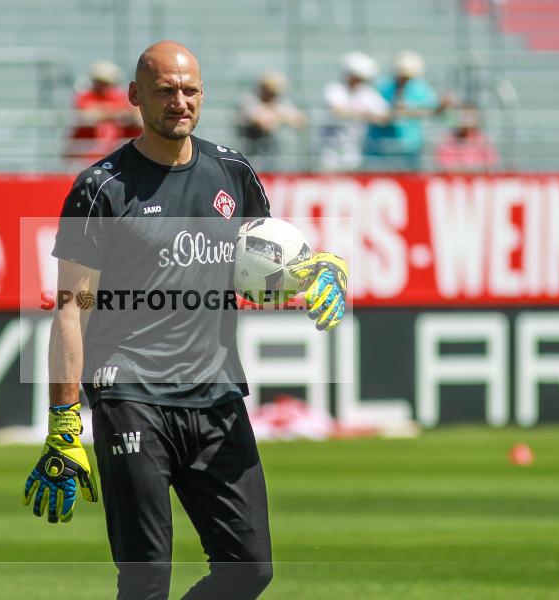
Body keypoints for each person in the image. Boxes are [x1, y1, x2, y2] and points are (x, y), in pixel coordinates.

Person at [22, 40, 349, 600]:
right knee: (146, 579)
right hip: (130, 395)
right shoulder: (100, 188)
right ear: (135, 96)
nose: (180, 101)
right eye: (165, 90)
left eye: (190, 89)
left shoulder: (233, 171)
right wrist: (63, 421)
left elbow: (266, 262)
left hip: (217, 394)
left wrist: (326, 268)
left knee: (249, 570)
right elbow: (71, 310)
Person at [365, 50, 452, 171]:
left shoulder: (418, 87)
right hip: (381, 145)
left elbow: (433, 110)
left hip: (410, 146)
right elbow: (377, 113)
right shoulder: (384, 86)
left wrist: (441, 107)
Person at [320, 52, 390, 171]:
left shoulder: (367, 93)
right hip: (330, 149)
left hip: (354, 150)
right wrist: (366, 115)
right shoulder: (335, 89)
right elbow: (337, 111)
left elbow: (384, 115)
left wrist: (360, 115)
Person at [66, 60, 143, 165]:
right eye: (99, 81)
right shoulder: (85, 96)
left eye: (106, 82)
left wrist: (108, 113)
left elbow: (135, 116)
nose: (102, 85)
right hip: (85, 156)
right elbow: (88, 116)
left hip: (114, 155)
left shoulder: (119, 97)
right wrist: (116, 114)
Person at [236, 70, 307, 167]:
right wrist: (281, 116)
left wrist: (276, 116)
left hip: (277, 155)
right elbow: (264, 125)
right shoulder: (249, 99)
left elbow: (300, 121)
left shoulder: (279, 100)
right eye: (271, 91)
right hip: (252, 155)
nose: (274, 96)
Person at [433, 104, 499, 172]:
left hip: (478, 176)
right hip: (455, 176)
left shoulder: (483, 139)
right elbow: (444, 165)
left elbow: (491, 164)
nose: (467, 121)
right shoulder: (449, 140)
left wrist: (475, 170)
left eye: (471, 116)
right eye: (464, 116)